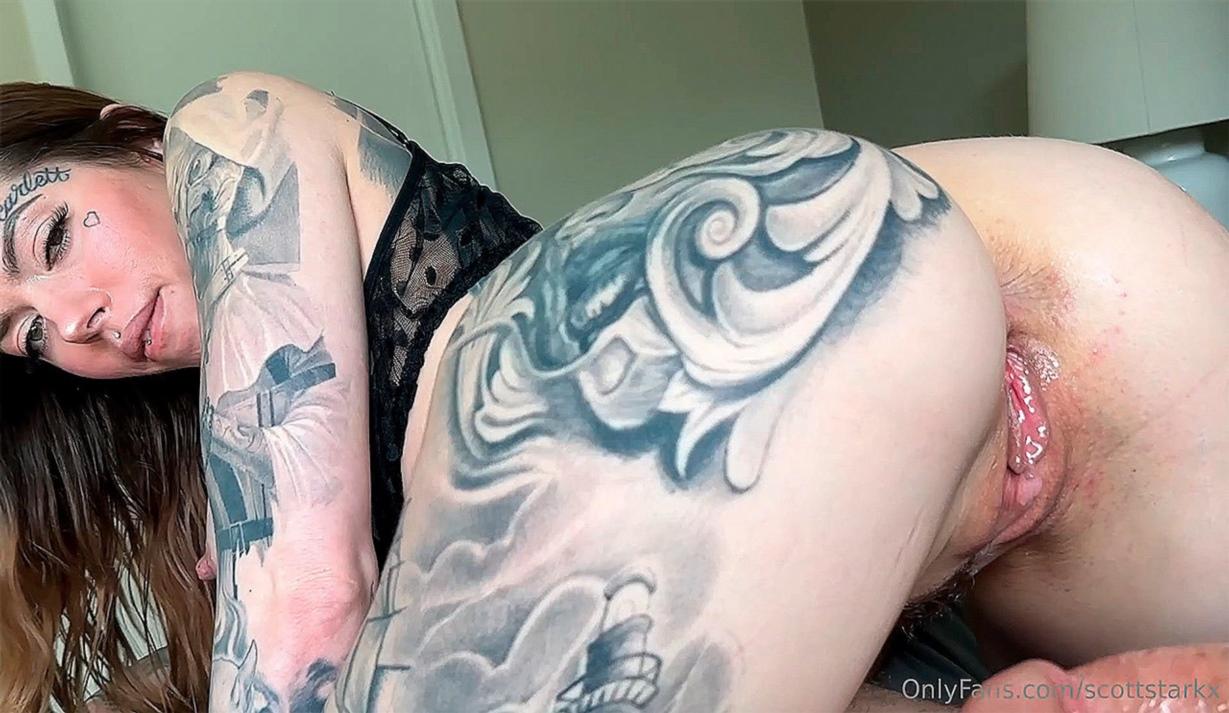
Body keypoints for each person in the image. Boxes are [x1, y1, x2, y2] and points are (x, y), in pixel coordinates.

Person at [0, 71, 1224, 713]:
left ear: (134, 137)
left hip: (914, 282)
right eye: (29, 335)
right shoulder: (260, 463)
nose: (75, 318)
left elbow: (305, 605)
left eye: (51, 237)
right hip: (933, 486)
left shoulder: (228, 127)